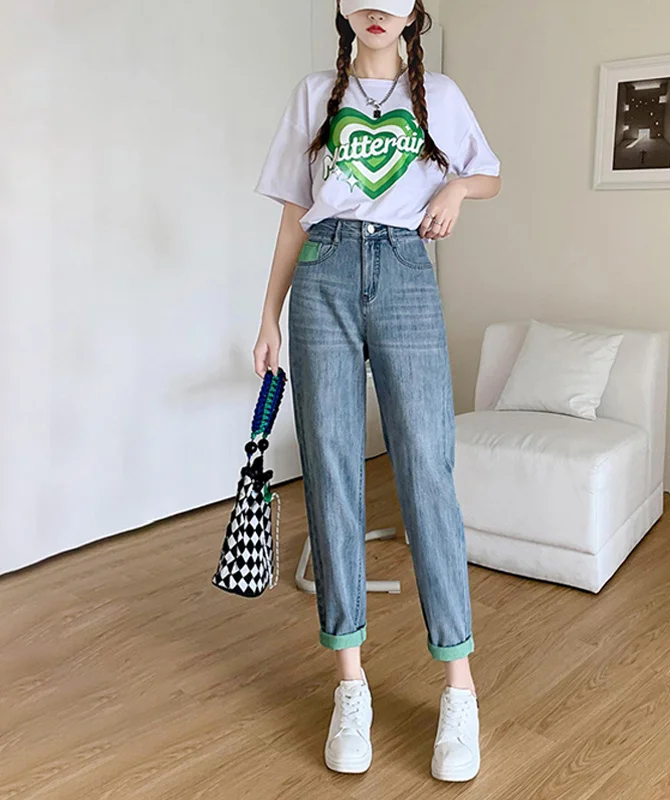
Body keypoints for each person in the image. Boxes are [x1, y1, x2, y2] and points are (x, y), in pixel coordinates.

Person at [251, 0, 501, 782]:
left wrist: (455, 192)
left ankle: (459, 690)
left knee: (427, 470)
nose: (374, 11)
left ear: (414, 12)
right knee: (330, 473)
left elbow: (488, 173)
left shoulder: (440, 95)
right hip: (321, 274)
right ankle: (350, 685)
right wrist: (268, 315)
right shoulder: (312, 94)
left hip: (404, 273)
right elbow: (295, 214)